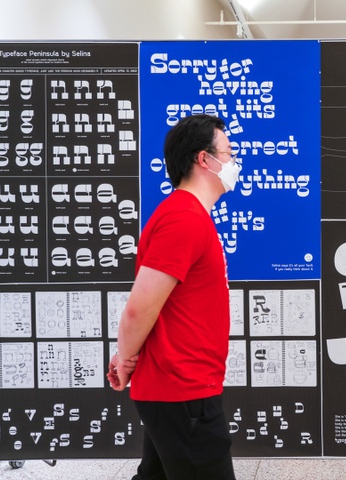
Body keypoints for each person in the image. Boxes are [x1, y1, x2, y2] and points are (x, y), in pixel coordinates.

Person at [107, 113, 241, 480]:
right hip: (182, 389)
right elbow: (138, 310)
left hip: (178, 388)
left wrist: (127, 357)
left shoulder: (190, 216)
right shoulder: (184, 219)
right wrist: (125, 358)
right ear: (204, 159)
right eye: (228, 154)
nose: (234, 163)